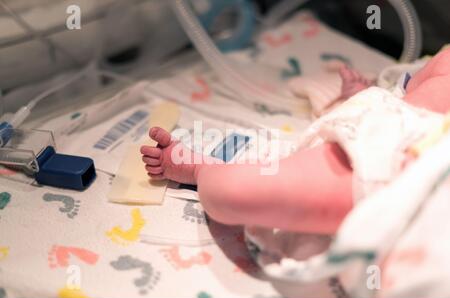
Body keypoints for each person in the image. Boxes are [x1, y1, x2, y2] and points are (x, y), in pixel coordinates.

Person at [140, 48, 450, 235]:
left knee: (229, 191)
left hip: (414, 162)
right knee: (230, 191)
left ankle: (199, 170)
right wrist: (369, 100)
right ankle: (199, 170)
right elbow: (399, 103)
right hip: (399, 132)